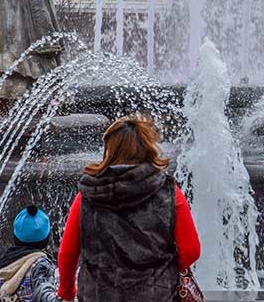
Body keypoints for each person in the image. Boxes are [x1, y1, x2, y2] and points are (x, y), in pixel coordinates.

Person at [57, 115, 200, 302]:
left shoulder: (88, 195)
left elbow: (67, 253)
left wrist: (67, 293)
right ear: (147, 147)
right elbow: (191, 250)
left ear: (110, 150)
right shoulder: (169, 192)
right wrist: (162, 273)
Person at [0, 205, 57, 302]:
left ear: (16, 237)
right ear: (46, 239)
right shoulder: (40, 263)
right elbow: (42, 289)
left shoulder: (8, 260)